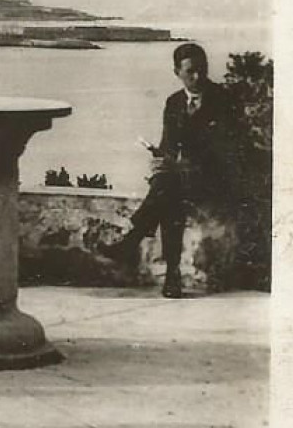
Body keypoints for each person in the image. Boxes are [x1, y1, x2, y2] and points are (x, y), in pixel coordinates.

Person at [101, 42, 241, 298]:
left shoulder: (223, 99)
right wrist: (161, 159)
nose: (198, 77)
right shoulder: (174, 102)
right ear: (177, 72)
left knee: (167, 189)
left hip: (213, 179)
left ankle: (134, 242)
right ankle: (172, 278)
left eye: (202, 70)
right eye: (190, 72)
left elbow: (228, 150)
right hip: (180, 180)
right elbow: (169, 145)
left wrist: (185, 165)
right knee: (169, 194)